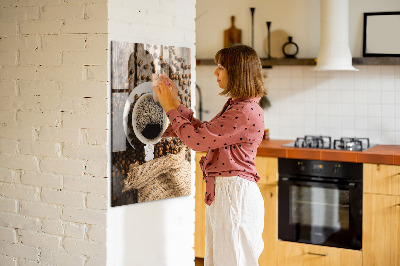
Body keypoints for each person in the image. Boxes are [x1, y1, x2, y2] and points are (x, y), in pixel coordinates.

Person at [154, 44, 266, 266]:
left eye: (221, 67)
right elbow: (203, 132)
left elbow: (197, 141)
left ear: (237, 72)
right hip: (228, 194)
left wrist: (169, 107)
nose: (215, 72)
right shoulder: (238, 106)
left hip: (234, 196)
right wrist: (175, 103)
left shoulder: (243, 111)